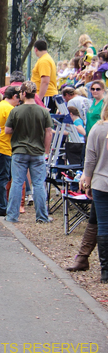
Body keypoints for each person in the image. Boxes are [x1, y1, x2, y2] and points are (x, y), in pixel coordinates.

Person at [4, 81, 54, 224]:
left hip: (19, 151)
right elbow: (48, 132)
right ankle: (42, 216)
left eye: (20, 92)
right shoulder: (43, 111)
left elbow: (7, 130)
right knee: (38, 184)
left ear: (24, 94)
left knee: (17, 183)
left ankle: (12, 215)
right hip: (37, 152)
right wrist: (46, 150)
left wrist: (18, 130)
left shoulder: (16, 111)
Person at [79, 103, 108, 283]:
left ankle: (105, 270)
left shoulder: (98, 129)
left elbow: (90, 158)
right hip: (100, 181)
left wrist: (87, 181)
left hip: (101, 182)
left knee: (104, 224)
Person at [0, 86, 20, 217]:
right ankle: (0, 207)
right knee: (2, 178)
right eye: (19, 97)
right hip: (3, 146)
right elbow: (10, 128)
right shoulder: (9, 109)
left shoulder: (0, 106)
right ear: (14, 96)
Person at [31, 39, 58, 111]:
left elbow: (45, 81)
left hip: (46, 95)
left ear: (35, 49)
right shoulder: (46, 59)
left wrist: (39, 99)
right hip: (46, 94)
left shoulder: (44, 61)